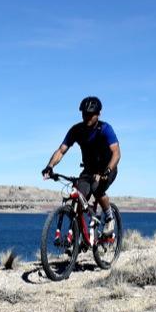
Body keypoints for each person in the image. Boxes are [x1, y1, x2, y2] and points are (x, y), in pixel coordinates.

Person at [42, 96, 121, 235]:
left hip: (107, 168)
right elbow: (61, 150)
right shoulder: (76, 130)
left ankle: (109, 217)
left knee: (97, 189)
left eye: (91, 114)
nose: (87, 117)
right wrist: (50, 166)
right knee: (79, 196)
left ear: (98, 114)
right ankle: (81, 235)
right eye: (85, 114)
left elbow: (116, 153)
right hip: (89, 170)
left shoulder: (105, 129)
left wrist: (107, 170)